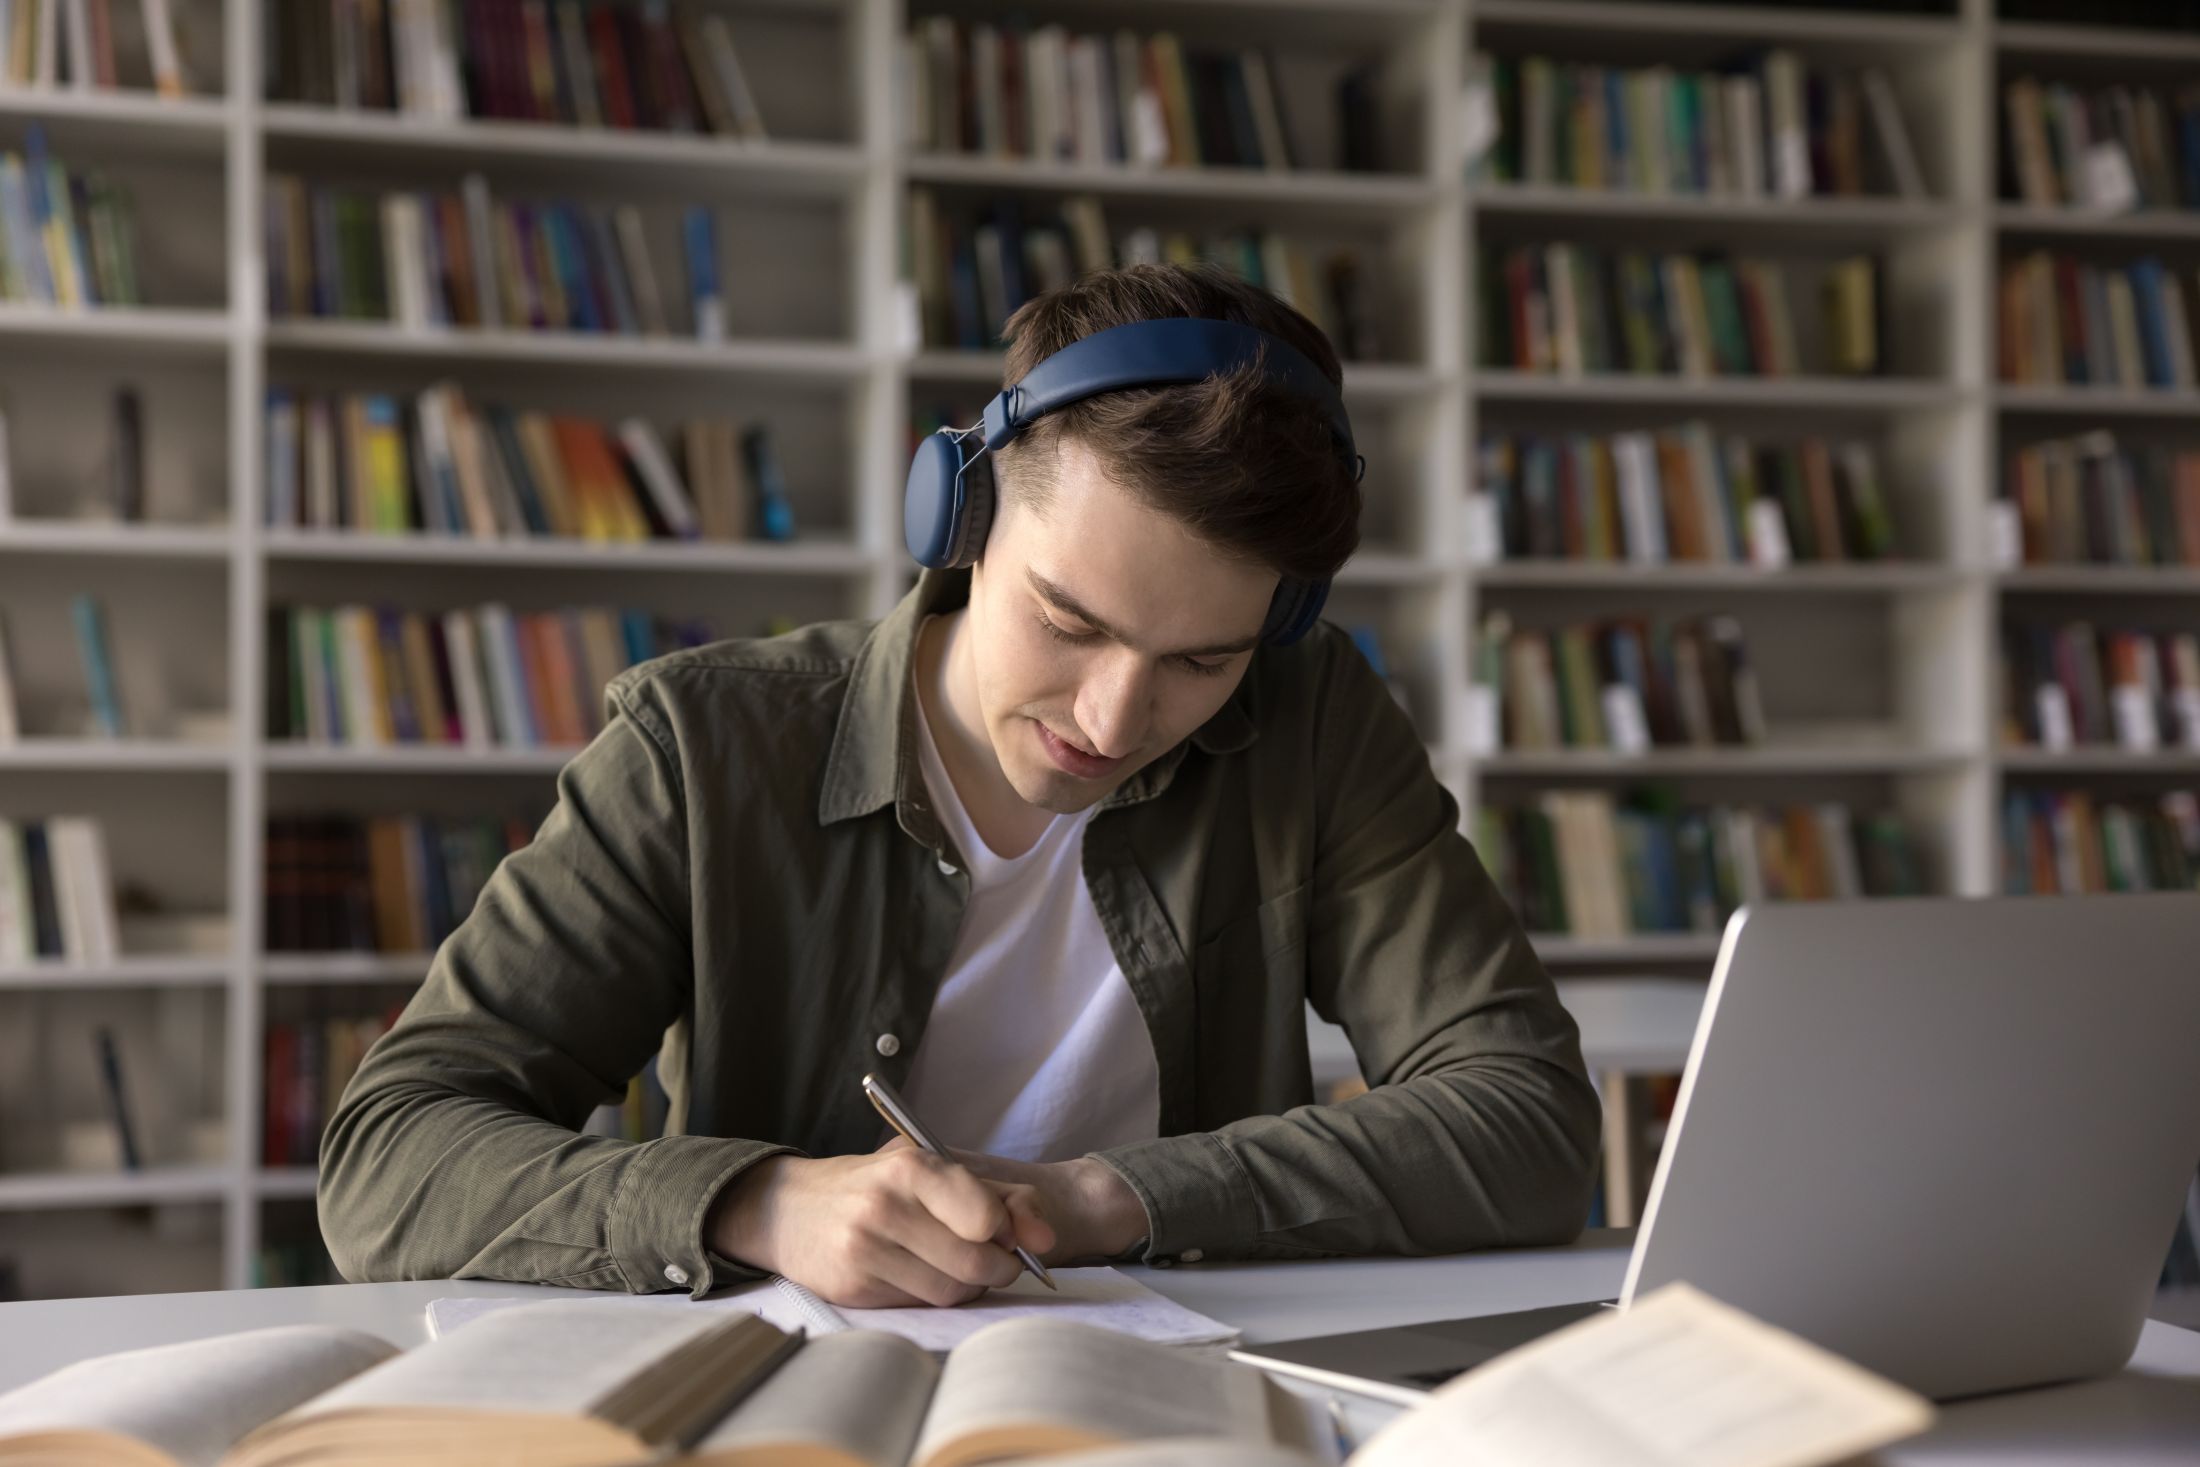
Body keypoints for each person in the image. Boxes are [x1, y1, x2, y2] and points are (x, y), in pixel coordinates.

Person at [318, 262, 1600, 1309]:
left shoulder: (1311, 715)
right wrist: (760, 1202)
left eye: (1200, 660)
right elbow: (392, 1151)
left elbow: (1527, 1121)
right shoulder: (698, 749)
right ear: (963, 516)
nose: (1112, 719)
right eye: (1067, 621)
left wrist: (1098, 1199)